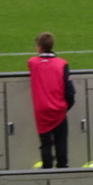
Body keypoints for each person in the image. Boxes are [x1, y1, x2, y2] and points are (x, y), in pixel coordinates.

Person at [28, 31, 75, 169]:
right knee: (61, 142)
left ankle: (46, 170)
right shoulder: (62, 64)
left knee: (45, 143)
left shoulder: (33, 63)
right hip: (59, 109)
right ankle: (62, 169)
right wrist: (67, 106)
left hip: (41, 110)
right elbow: (69, 90)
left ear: (39, 47)